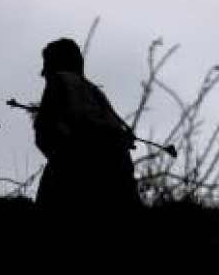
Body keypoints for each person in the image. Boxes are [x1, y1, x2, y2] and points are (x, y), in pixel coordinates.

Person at [33, 38, 140, 210]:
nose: (43, 73)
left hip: (75, 173)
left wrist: (64, 155)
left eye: (47, 63)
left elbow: (46, 130)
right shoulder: (95, 92)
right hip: (116, 172)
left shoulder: (59, 81)